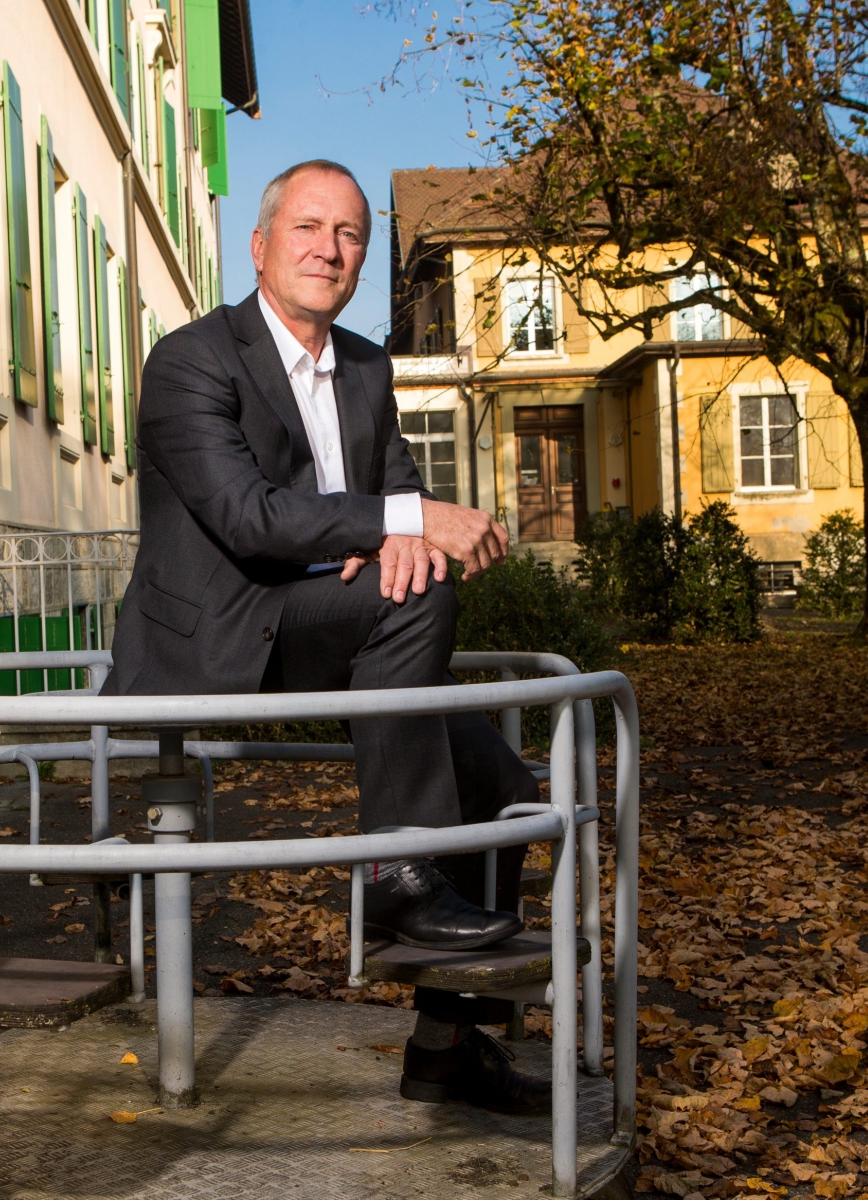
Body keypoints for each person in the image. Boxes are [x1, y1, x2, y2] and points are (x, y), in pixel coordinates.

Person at [105, 159, 548, 1115]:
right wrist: (401, 525)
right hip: (215, 638)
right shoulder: (191, 359)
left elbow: (387, 519)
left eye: (350, 234)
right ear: (260, 246)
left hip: (333, 625)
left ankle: (446, 1043)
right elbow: (251, 519)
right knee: (412, 589)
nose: (330, 249)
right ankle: (396, 866)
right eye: (309, 227)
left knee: (504, 789)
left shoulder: (369, 367)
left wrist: (398, 537)